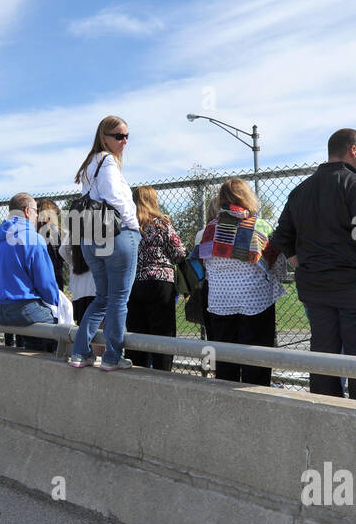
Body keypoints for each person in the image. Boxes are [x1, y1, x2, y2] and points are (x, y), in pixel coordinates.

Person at [271, 128, 356, 402]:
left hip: (317, 289)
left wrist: (301, 262)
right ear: (353, 150)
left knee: (324, 358)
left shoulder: (301, 191)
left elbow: (281, 237)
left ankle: (325, 413)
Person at [69, 116, 141, 371]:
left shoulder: (89, 163)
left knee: (103, 298)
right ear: (104, 137)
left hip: (91, 238)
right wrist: (135, 225)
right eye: (119, 136)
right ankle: (112, 357)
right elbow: (115, 197)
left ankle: (79, 352)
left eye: (127, 137)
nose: (124, 141)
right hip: (118, 235)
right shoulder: (107, 161)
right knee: (119, 299)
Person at [199, 178, 282, 385]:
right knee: (257, 363)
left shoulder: (210, 229)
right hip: (255, 304)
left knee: (226, 363)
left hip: (220, 303)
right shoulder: (261, 226)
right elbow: (278, 265)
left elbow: (204, 265)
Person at [0, 193, 61, 350]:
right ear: (27, 211)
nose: (37, 215)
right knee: (62, 330)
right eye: (35, 210)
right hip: (23, 309)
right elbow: (47, 285)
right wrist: (56, 304)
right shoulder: (33, 238)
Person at [125, 186, 187, 371]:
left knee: (137, 335)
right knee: (163, 335)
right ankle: (163, 375)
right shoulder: (161, 223)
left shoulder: (128, 225)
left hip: (134, 283)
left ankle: (137, 375)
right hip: (160, 283)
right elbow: (179, 252)